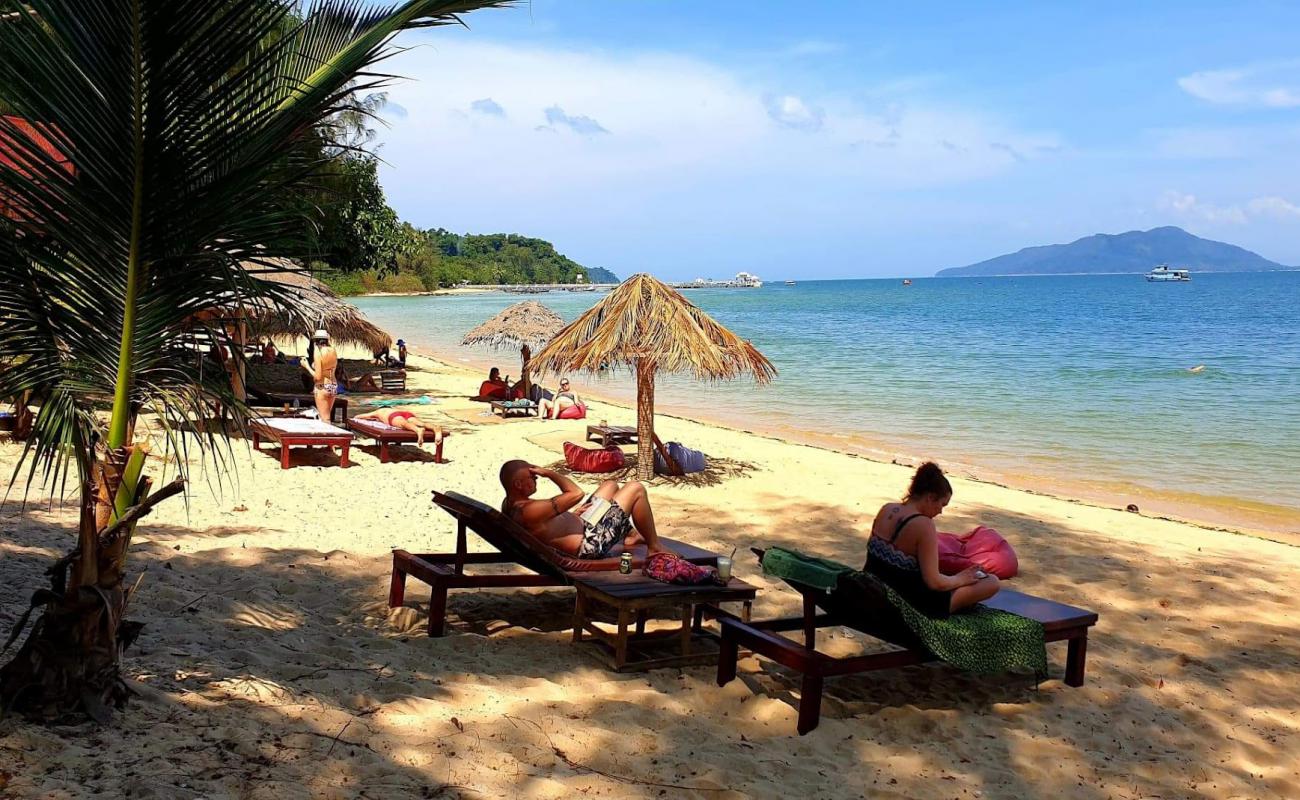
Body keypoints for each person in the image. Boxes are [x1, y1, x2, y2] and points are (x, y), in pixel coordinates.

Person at [866, 462, 999, 617]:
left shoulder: (887, 508)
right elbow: (934, 583)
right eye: (941, 504)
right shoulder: (924, 524)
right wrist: (960, 579)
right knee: (992, 582)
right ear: (930, 498)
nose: (941, 511)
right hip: (907, 602)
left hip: (873, 587)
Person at [499, 460, 672, 559]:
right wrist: (549, 473)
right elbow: (576, 493)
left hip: (584, 526)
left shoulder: (510, 504)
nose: (536, 479)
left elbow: (545, 527)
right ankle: (654, 546)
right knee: (635, 488)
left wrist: (572, 516)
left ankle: (630, 535)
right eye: (533, 477)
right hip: (590, 543)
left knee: (610, 485)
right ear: (518, 484)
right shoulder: (529, 511)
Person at [300, 329, 338, 424]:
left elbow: (318, 377)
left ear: (316, 341)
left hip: (322, 386)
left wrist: (307, 367)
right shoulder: (332, 350)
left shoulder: (318, 352)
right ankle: (328, 437)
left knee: (325, 419)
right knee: (327, 416)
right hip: (333, 385)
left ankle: (327, 438)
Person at [353, 407, 442, 447]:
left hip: (393, 416)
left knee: (403, 424)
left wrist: (355, 417)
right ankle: (435, 428)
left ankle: (418, 430)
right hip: (406, 413)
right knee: (421, 423)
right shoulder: (393, 409)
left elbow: (359, 417)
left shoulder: (379, 411)